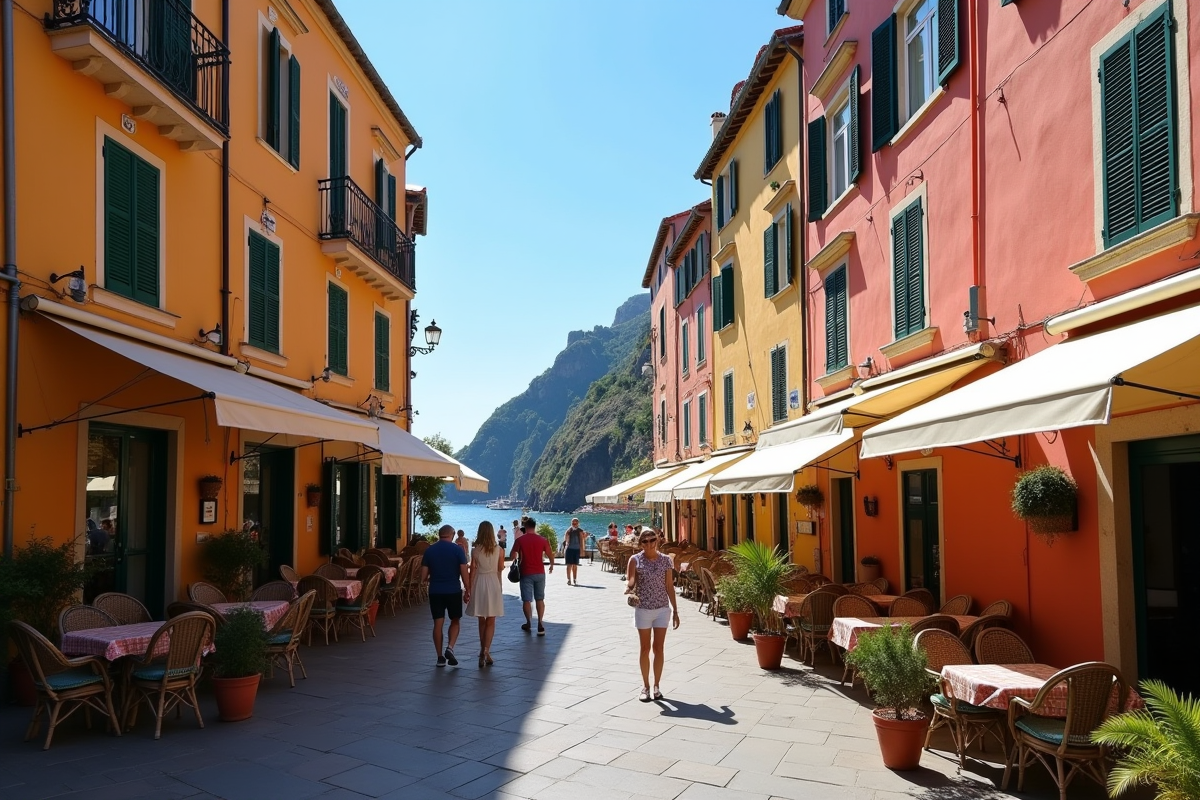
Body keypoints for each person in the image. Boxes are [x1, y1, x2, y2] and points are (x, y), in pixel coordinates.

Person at [625, 527, 679, 702]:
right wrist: (630, 588)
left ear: (657, 541)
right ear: (640, 543)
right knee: (645, 649)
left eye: (652, 540)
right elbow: (631, 579)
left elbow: (669, 586)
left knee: (659, 648)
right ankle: (645, 687)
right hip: (643, 609)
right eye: (645, 541)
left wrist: (676, 610)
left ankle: (656, 686)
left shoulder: (665, 561)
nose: (649, 544)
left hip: (662, 609)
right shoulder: (635, 560)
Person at [420, 524, 471, 667]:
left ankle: (440, 657)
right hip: (453, 590)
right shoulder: (457, 550)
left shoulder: (429, 550)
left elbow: (423, 576)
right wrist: (468, 589)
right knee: (455, 620)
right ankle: (450, 647)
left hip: (435, 590)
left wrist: (433, 578)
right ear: (452, 534)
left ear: (439, 535)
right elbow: (464, 572)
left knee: (438, 623)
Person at [466, 521, 505, 667]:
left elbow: (472, 571)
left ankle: (483, 651)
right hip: (493, 582)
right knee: (491, 619)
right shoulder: (499, 550)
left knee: (481, 619)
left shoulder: (475, 550)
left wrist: (468, 588)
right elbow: (500, 567)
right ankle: (486, 651)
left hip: (479, 583)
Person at [510, 517, 554, 635]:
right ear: (535, 526)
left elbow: (512, 554)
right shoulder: (542, 540)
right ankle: (540, 623)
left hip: (526, 572)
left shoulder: (520, 540)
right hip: (540, 572)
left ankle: (528, 622)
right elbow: (550, 553)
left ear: (525, 526)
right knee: (540, 598)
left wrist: (517, 558)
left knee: (526, 599)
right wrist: (551, 565)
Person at [562, 518, 586, 586]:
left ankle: (575, 579)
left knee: (575, 565)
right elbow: (566, 539)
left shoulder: (580, 531)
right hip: (569, 549)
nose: (574, 524)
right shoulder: (569, 531)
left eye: (575, 523)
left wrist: (585, 536)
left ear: (578, 523)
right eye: (573, 523)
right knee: (569, 565)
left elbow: (583, 539)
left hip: (576, 549)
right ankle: (569, 579)